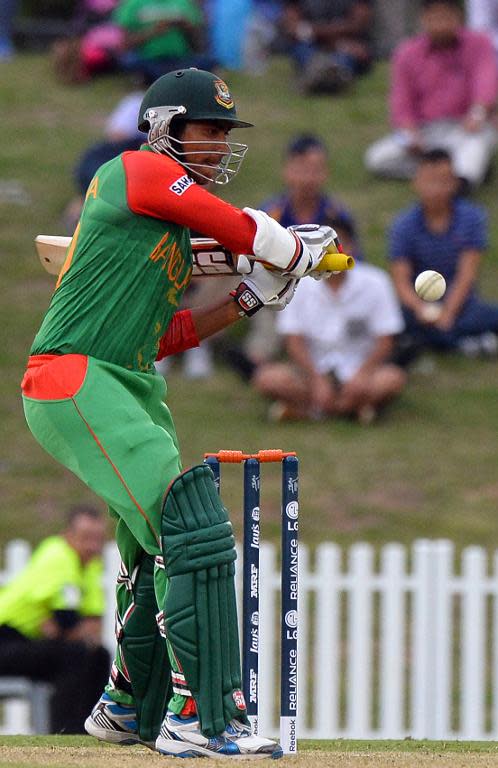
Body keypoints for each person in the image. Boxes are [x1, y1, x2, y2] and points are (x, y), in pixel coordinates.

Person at [21, 67, 336, 757]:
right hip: (74, 376)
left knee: (155, 549)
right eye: (210, 131)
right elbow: (232, 225)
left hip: (127, 379)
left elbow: (162, 336)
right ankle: (200, 717)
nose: (221, 145)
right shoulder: (129, 173)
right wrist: (281, 246)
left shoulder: (162, 237)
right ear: (165, 128)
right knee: (191, 525)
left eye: (226, 133)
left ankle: (129, 704)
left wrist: (251, 299)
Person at [254, 219, 406, 424]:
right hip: (313, 370)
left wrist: (362, 374)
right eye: (323, 248)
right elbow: (293, 339)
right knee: (267, 378)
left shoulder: (376, 281)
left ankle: (311, 410)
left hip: (359, 369)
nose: (330, 254)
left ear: (352, 247)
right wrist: (316, 379)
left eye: (338, 245)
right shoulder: (299, 283)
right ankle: (353, 410)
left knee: (391, 379)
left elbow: (386, 339)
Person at [238, 133, 363, 370]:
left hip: (323, 291)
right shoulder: (270, 214)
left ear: (325, 173)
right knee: (264, 330)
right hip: (278, 287)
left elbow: (353, 261)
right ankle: (256, 363)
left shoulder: (337, 216)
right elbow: (254, 257)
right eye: (302, 169)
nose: (309, 178)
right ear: (287, 171)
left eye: (316, 169)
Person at [365, 0, 498, 189]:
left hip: (465, 127)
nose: (441, 25)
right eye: (435, 18)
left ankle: (458, 183)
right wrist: (409, 133)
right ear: (423, 19)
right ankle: (441, 175)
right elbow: (401, 103)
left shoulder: (480, 44)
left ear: (458, 18)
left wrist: (478, 113)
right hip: (426, 133)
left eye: (446, 17)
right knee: (377, 158)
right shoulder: (406, 53)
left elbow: (486, 84)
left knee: (474, 146)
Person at [0, 505, 110, 734]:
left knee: (99, 655)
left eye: (98, 539)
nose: (93, 546)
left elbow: (91, 624)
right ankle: (65, 730)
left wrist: (66, 629)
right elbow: (68, 620)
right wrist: (68, 629)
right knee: (74, 654)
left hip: (27, 640)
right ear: (69, 535)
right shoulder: (58, 555)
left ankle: (92, 728)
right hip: (7, 638)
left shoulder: (89, 565)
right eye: (86, 538)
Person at [388, 148, 498, 356]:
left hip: (462, 305)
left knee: (485, 317)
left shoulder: (472, 218)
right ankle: (467, 344)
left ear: (455, 183)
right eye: (430, 181)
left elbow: (467, 274)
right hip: (418, 307)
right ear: (416, 182)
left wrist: (448, 312)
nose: (436, 189)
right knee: (394, 323)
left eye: (443, 181)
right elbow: (401, 280)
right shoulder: (403, 225)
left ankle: (441, 341)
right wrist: (421, 309)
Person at [280, 0, 374, 94]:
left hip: (345, 46)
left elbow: (357, 25)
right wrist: (334, 41)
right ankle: (321, 74)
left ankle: (334, 74)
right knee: (302, 48)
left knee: (351, 53)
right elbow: (292, 27)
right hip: (314, 46)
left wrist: (311, 31)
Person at [112, 0, 214, 81]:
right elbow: (125, 44)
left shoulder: (184, 3)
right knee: (128, 60)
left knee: (208, 61)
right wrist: (153, 32)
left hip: (180, 59)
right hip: (148, 60)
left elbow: (199, 43)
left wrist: (186, 26)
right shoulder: (133, 4)